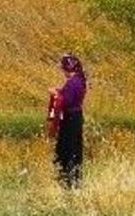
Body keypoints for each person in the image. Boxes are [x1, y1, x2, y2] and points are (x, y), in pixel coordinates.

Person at [51, 53, 87, 188]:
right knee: (75, 149)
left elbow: (66, 102)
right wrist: (60, 91)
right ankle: (74, 179)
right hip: (76, 117)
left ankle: (67, 180)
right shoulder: (79, 80)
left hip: (70, 119)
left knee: (67, 148)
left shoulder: (73, 83)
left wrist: (56, 94)